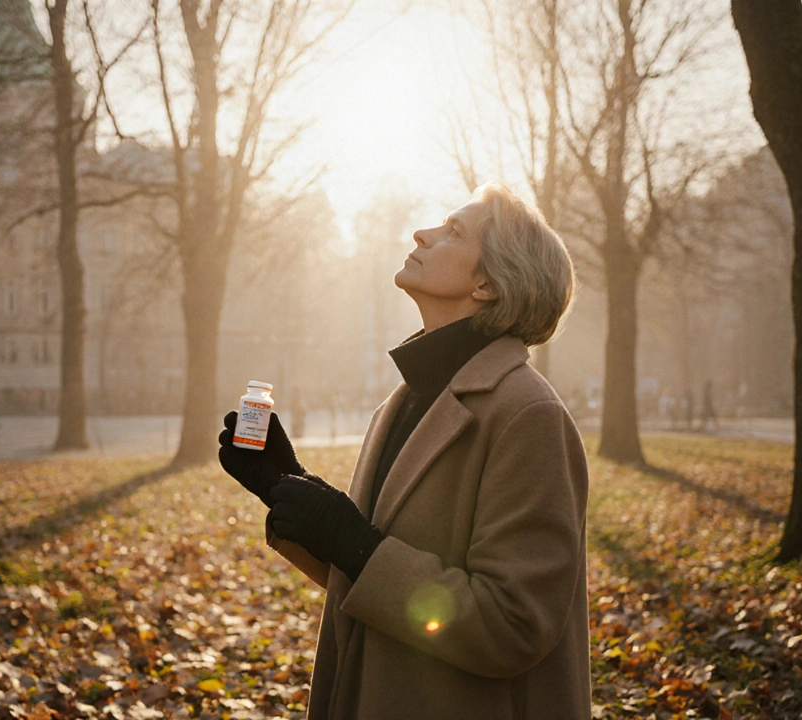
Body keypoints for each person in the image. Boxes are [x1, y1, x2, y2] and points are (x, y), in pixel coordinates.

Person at [218, 182, 590, 719]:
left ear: (486, 283)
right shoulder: (408, 398)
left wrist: (352, 540)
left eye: (454, 231)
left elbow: (513, 624)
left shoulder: (528, 414)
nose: (423, 233)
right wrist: (285, 485)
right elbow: (371, 577)